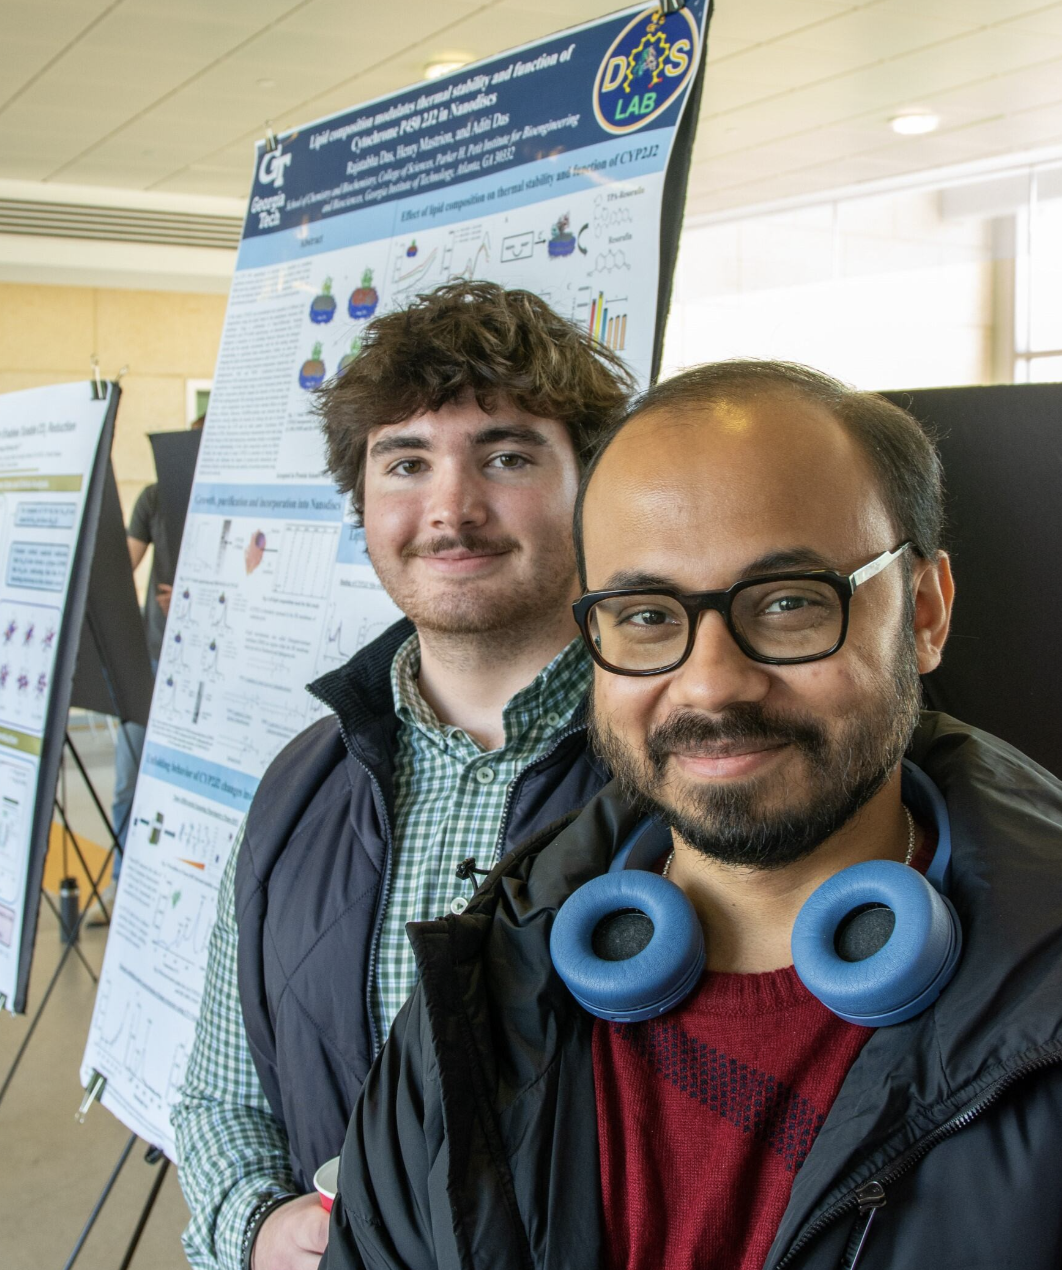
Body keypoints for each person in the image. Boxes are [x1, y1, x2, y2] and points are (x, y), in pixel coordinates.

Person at [321, 360, 1062, 1270]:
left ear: (923, 614)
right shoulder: (476, 1002)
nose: (710, 684)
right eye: (645, 616)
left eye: (789, 603)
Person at [172, 282, 633, 1270]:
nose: (451, 509)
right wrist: (255, 1228)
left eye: (507, 457)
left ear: (590, 487)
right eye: (407, 462)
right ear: (363, 501)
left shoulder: (685, 767)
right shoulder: (300, 787)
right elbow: (221, 1095)